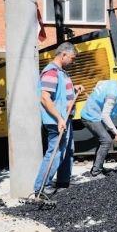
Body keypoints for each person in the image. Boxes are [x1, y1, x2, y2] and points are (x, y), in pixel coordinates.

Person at [33, 42, 84, 196]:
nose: (73, 62)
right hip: (57, 121)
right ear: (63, 55)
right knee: (55, 153)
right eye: (72, 58)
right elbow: (45, 98)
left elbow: (60, 92)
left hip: (64, 119)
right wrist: (59, 118)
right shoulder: (51, 72)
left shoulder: (61, 72)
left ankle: (63, 182)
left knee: (67, 152)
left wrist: (74, 88)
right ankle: (41, 188)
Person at [80, 72, 117, 177]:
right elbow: (105, 116)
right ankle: (96, 173)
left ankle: (98, 167)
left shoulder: (110, 82)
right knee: (106, 140)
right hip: (91, 117)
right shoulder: (113, 95)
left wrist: (95, 94)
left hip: (93, 114)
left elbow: (99, 83)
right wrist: (116, 133)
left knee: (102, 139)